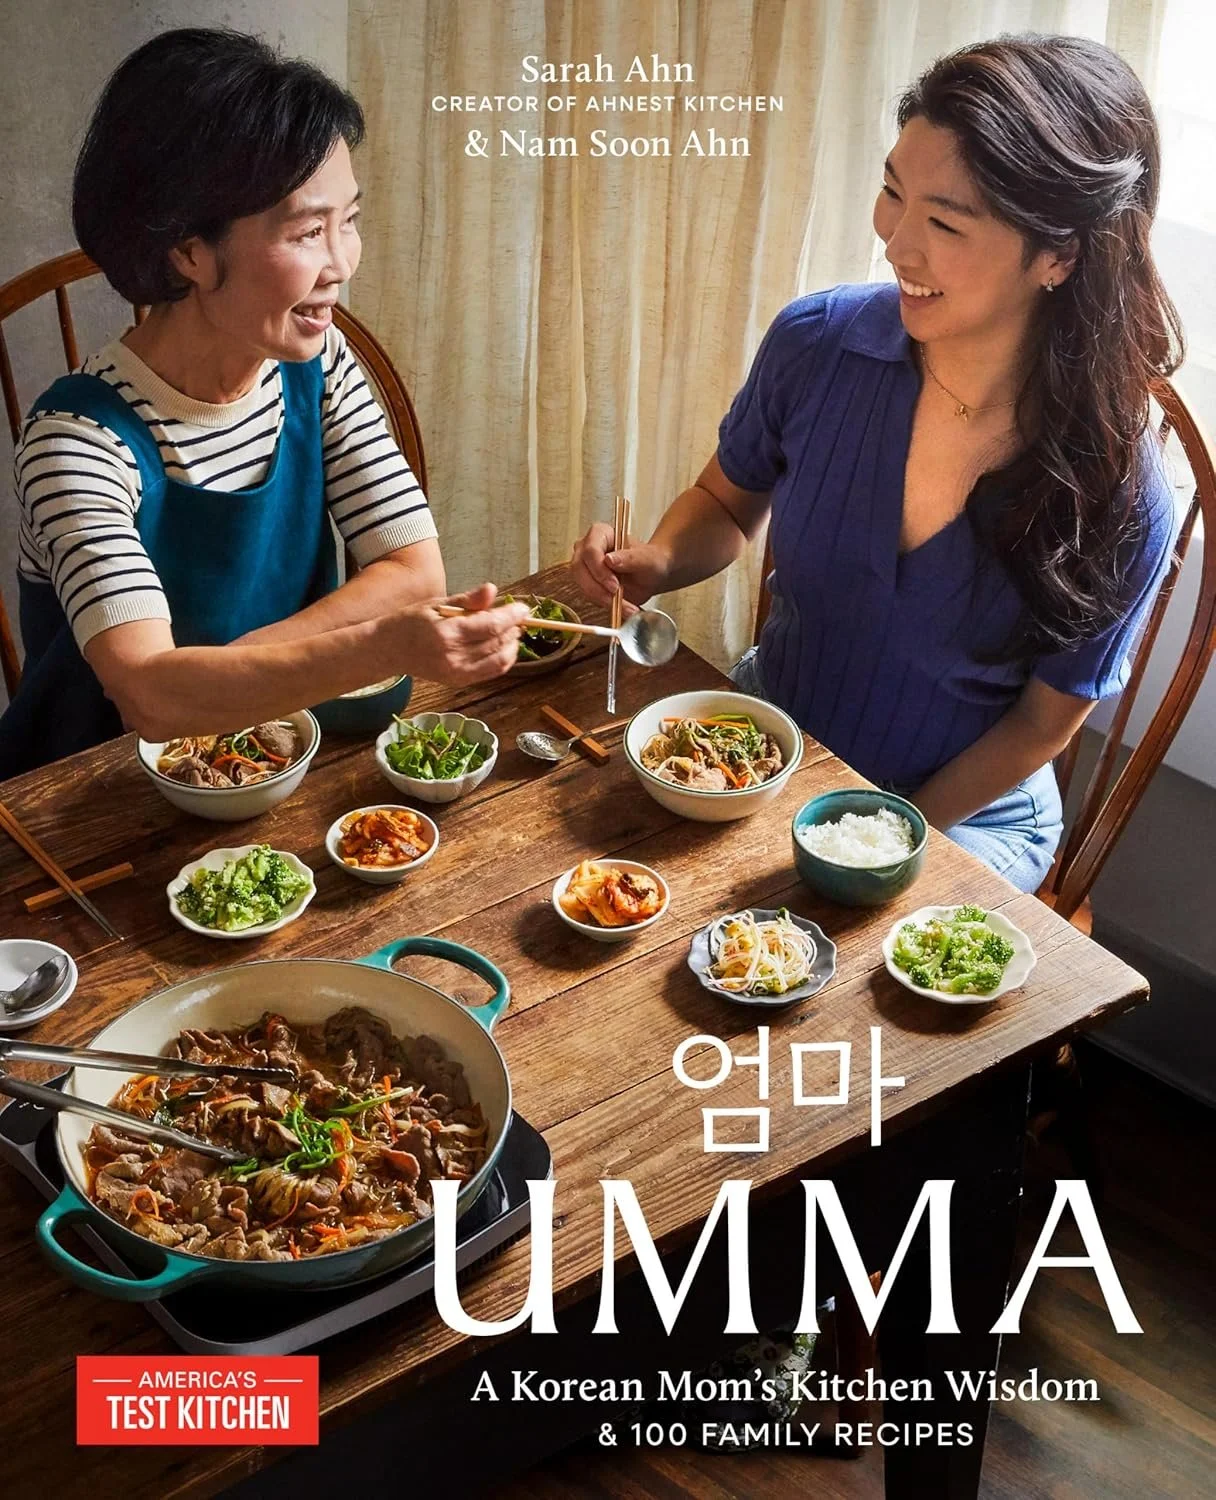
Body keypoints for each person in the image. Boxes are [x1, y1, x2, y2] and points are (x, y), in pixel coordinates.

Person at [571, 34, 1182, 893]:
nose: (897, 243)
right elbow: (723, 498)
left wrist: (879, 833)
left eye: (944, 221)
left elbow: (1044, 724)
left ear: (1060, 255)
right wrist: (658, 561)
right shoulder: (818, 344)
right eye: (893, 193)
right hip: (767, 741)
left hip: (961, 812)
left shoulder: (1117, 490)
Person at [0, 28, 530, 778]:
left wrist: (223, 678)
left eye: (348, 222)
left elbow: (414, 571)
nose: (341, 263)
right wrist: (379, 644)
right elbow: (149, 695)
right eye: (308, 232)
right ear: (188, 252)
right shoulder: (78, 439)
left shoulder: (319, 369)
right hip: (88, 794)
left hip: (266, 759)